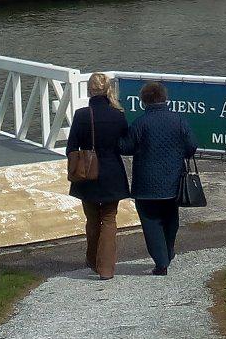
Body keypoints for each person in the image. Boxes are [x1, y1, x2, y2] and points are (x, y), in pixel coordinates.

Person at [119, 80, 196, 275]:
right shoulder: (179, 121)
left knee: (151, 222)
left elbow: (125, 147)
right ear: (165, 98)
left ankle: (161, 262)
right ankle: (168, 253)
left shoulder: (140, 123)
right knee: (171, 220)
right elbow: (191, 147)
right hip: (173, 182)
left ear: (143, 101)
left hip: (146, 184)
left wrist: (116, 135)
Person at [65, 72, 130, 279]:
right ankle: (106, 268)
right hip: (112, 173)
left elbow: (71, 148)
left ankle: (93, 260)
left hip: (87, 174)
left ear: (89, 91)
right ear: (108, 89)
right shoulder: (118, 115)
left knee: (92, 219)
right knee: (109, 219)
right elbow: (125, 145)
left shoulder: (82, 115)